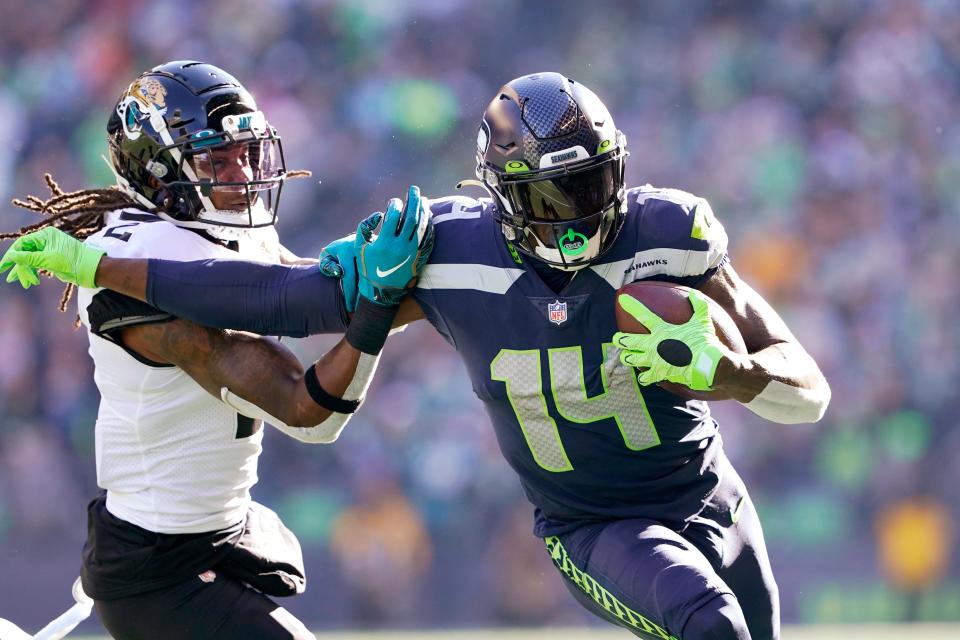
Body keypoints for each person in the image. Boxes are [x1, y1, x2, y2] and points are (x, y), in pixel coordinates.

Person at [3, 72, 829, 640]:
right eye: (550, 197)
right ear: (500, 195)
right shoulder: (448, 248)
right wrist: (95, 266)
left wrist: (737, 375)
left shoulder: (670, 233)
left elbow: (809, 393)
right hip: (595, 522)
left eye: (591, 187)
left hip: (714, 497)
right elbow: (289, 304)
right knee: (710, 625)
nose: (577, 219)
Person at [0, 60, 433, 640]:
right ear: (156, 173)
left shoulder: (215, 227)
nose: (241, 174)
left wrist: (434, 288)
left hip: (218, 533)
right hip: (158, 568)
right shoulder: (136, 268)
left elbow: (310, 295)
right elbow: (305, 411)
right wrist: (383, 304)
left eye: (247, 154)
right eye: (216, 160)